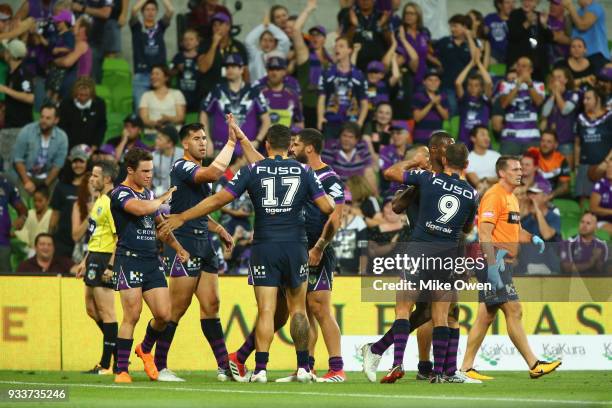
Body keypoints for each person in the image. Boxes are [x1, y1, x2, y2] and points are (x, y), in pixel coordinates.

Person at [159, 124, 335, 384]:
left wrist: (184, 216)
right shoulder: (305, 170)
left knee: (266, 310)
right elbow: (326, 206)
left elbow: (219, 200)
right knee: (298, 309)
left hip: (265, 245)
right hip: (296, 245)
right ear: (289, 147)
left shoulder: (252, 170)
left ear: (267, 145)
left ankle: (261, 369)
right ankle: (303, 368)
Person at [228, 128, 348, 383]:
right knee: (292, 310)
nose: (290, 148)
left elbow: (335, 216)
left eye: (295, 144)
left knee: (318, 307)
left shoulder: (328, 178)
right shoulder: (294, 171)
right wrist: (242, 137)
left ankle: (337, 368)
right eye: (289, 143)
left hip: (317, 250)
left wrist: (320, 247)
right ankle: (306, 366)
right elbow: (262, 163)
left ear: (309, 148)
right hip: (294, 248)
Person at [154, 120, 244, 382]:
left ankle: (223, 366)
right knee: (177, 308)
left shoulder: (198, 170)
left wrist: (219, 230)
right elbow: (214, 174)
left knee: (211, 305)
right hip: (183, 243)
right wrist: (230, 142)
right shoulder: (182, 166)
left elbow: (196, 211)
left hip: (204, 242)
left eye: (205, 138)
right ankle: (160, 365)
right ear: (184, 143)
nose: (202, 143)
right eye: (197, 139)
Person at [459, 155, 561, 380]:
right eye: (515, 169)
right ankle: (534, 364)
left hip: (501, 262)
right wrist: (493, 266)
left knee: (485, 316)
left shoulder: (511, 197)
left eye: (520, 169)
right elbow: (484, 233)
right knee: (514, 309)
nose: (520, 172)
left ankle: (466, 367)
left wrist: (531, 237)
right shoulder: (494, 196)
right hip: (493, 261)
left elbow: (515, 228)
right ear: (502, 173)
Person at [110, 147, 189, 384]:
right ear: (130, 170)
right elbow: (140, 209)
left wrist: (178, 248)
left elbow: (161, 226)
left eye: (151, 171)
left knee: (164, 315)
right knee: (131, 315)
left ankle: (145, 349)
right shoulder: (120, 194)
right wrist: (163, 198)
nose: (148, 175)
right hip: (129, 260)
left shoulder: (148, 194)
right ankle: (121, 369)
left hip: (151, 261)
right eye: (144, 171)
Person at [72, 160, 119, 375]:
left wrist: (111, 265)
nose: (91, 179)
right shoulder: (99, 200)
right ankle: (118, 350)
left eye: (96, 176)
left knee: (107, 312)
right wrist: (84, 261)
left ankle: (107, 364)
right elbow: (96, 234)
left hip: (104, 259)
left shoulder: (110, 202)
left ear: (107, 179)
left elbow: (118, 237)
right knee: (91, 309)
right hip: (94, 256)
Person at [200, 53, 270, 155]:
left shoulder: (254, 92)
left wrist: (257, 141)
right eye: (227, 67)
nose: (229, 70)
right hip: (220, 149)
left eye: (233, 66)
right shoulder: (217, 90)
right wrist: (207, 140)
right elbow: (203, 114)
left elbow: (266, 120)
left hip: (247, 150)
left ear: (242, 69)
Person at [10, 103, 68, 197]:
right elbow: (18, 159)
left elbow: (58, 165)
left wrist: (44, 186)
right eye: (42, 117)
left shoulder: (62, 137)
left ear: (56, 120)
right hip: (26, 175)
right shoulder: (27, 131)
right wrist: (27, 182)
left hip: (48, 177)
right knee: (22, 203)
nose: (43, 121)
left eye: (48, 118)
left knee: (49, 206)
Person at [317, 37, 368, 139]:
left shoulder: (359, 75)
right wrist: (320, 118)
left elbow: (364, 102)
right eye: (336, 46)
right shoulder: (327, 73)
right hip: (331, 122)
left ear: (349, 50)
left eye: (341, 46)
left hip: (351, 123)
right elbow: (321, 97)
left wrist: (360, 122)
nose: (337, 49)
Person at [292, 1, 333, 129]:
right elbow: (296, 30)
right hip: (305, 107)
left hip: (325, 108)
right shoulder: (305, 54)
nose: (315, 37)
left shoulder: (330, 61)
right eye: (312, 35)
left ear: (325, 39)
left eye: (319, 35)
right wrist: (308, 9)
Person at [130, 0, 174, 111]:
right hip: (142, 75)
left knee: (159, 110)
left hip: (159, 75)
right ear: (142, 12)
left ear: (157, 12)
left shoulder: (160, 27)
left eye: (153, 9)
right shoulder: (137, 27)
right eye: (147, 9)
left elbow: (170, 11)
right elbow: (134, 11)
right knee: (141, 109)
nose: (150, 12)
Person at [49, 144, 91, 258]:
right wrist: (50, 237)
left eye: (81, 161)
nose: (77, 165)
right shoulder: (61, 186)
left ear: (87, 163)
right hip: (63, 241)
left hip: (86, 241)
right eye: (75, 162)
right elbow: (55, 215)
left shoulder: (92, 187)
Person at [498, 57, 545, 154]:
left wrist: (529, 84)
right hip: (510, 137)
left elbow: (539, 102)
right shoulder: (505, 85)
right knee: (507, 167)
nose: (520, 68)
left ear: (531, 70)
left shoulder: (539, 85)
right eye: (518, 65)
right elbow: (504, 104)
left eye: (524, 66)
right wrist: (517, 85)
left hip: (532, 137)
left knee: (532, 168)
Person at [197, 12, 248, 99]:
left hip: (231, 95)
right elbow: (203, 68)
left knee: (229, 113)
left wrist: (246, 91)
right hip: (209, 95)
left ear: (228, 26)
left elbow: (245, 72)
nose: (217, 28)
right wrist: (214, 44)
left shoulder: (238, 46)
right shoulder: (205, 44)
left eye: (220, 24)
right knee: (208, 113)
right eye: (214, 25)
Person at [0, 38, 34, 170]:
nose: (4, 52)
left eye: (6, 50)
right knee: (7, 163)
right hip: (10, 125)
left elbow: (30, 97)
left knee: (13, 165)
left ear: (10, 54)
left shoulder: (23, 74)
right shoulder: (11, 72)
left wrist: (6, 90)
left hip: (20, 128)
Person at [575, 88, 611, 205]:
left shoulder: (610, 117)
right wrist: (576, 165)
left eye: (588, 98)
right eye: (584, 98)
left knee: (604, 200)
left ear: (598, 99)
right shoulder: (581, 119)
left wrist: (607, 162)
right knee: (584, 201)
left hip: (605, 166)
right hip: (585, 164)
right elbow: (577, 144)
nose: (584, 101)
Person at [322, 122, 378, 195]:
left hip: (359, 189)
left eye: (351, 137)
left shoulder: (362, 147)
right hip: (337, 191)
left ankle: (374, 198)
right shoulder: (331, 147)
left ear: (356, 140)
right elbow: (326, 174)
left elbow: (369, 170)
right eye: (344, 136)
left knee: (369, 172)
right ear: (339, 137)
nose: (347, 140)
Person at [433, 14, 472, 116]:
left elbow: (475, 58)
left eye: (455, 26)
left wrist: (469, 37)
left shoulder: (471, 43)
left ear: (464, 27)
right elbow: (428, 52)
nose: (452, 29)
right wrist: (438, 63)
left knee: (465, 112)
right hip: (447, 85)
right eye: (451, 26)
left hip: (466, 86)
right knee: (452, 111)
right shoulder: (444, 41)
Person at [541, 66, 579, 166]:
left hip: (565, 141)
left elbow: (565, 110)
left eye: (559, 77)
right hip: (549, 142)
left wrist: (557, 93)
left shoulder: (573, 94)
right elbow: (545, 113)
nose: (556, 80)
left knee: (566, 173)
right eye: (554, 77)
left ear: (566, 80)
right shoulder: (549, 96)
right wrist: (553, 95)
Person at [506, 0, 553, 81]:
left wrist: (544, 24)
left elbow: (550, 39)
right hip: (520, 63)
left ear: (536, 3)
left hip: (537, 64)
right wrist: (527, 22)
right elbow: (513, 36)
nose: (527, 3)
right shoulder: (515, 14)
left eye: (530, 1)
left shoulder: (539, 16)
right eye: (525, 0)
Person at [455, 53, 493, 148]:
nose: (472, 88)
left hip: (482, 141)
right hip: (464, 142)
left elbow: (488, 82)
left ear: (481, 87)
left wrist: (479, 63)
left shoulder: (485, 99)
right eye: (470, 85)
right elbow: (458, 83)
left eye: (476, 85)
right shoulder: (464, 99)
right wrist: (471, 63)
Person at [254, 56, 304, 129]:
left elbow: (299, 122)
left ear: (284, 72)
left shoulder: (292, 94)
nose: (274, 72)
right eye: (271, 69)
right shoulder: (258, 92)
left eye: (278, 69)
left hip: (287, 137)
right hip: (263, 137)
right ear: (267, 71)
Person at [58, 76, 107, 149]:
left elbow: (101, 126)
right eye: (80, 95)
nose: (83, 98)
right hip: (69, 146)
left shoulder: (99, 104)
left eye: (86, 95)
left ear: (91, 94)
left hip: (91, 147)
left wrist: (95, 144)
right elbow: (62, 127)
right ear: (75, 92)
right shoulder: (66, 104)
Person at [339, 0, 388, 72]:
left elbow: (390, 42)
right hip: (356, 65)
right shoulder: (349, 16)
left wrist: (382, 26)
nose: (365, 1)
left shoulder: (382, 16)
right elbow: (344, 41)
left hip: (379, 67)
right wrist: (354, 26)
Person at [139, 65, 186, 139]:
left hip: (174, 133)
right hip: (153, 133)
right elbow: (144, 119)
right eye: (152, 74)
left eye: (157, 74)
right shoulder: (146, 95)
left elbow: (180, 117)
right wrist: (155, 124)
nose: (153, 77)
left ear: (166, 78)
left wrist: (168, 119)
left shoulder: (177, 93)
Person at [71, 0, 112, 83]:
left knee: (93, 76)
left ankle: (92, 94)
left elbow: (106, 13)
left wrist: (82, 8)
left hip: (96, 42)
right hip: (75, 41)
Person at [245, 14, 291, 82]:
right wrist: (263, 26)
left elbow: (285, 40)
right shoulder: (255, 55)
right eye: (264, 40)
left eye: (271, 41)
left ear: (275, 44)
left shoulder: (279, 54)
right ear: (260, 42)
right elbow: (248, 41)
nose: (267, 43)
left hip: (274, 90)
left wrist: (269, 25)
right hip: (256, 90)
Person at [526, 130, 571, 199]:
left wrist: (550, 195)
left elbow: (565, 187)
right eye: (543, 141)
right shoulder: (532, 153)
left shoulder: (561, 160)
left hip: (550, 195)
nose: (545, 144)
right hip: (529, 192)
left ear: (555, 145)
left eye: (549, 142)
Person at [563, 0, 609, 64]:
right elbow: (569, 34)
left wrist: (570, 7)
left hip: (596, 55)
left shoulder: (595, 7)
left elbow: (582, 26)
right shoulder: (578, 12)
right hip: (580, 57)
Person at [412, 68, 449, 145]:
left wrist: (437, 104)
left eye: (436, 80)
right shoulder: (418, 96)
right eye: (430, 80)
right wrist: (431, 103)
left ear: (440, 82)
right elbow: (417, 118)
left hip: (437, 139)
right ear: (424, 82)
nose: (433, 83)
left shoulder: (443, 96)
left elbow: (446, 117)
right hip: (420, 138)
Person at [171, 29, 203, 113]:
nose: (188, 42)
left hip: (197, 94)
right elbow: (169, 73)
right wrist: (177, 69)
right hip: (182, 94)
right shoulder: (178, 56)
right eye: (185, 39)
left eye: (191, 39)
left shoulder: (201, 57)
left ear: (197, 42)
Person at [14, 185, 52, 255]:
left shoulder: (51, 215)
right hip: (31, 250)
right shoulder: (30, 214)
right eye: (35, 201)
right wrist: (15, 232)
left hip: (46, 250)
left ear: (48, 201)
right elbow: (25, 232)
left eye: (40, 201)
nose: (36, 204)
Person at [0, 174, 27, 269]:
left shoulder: (5, 183)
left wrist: (22, 218)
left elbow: (22, 209)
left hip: (2, 241)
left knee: (5, 280)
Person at [466, 126, 501, 191]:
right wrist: (493, 180)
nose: (487, 138)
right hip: (481, 191)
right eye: (483, 135)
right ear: (473, 138)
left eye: (488, 135)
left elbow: (503, 177)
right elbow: (477, 182)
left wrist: (486, 179)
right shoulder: (468, 159)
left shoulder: (496, 155)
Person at [151, 125, 183, 196]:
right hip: (157, 195)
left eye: (159, 139)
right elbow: (148, 182)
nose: (156, 141)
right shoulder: (152, 156)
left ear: (169, 144)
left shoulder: (183, 156)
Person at [590, 159, 612, 235]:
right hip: (601, 221)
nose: (609, 170)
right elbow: (593, 208)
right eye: (608, 167)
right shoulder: (601, 184)